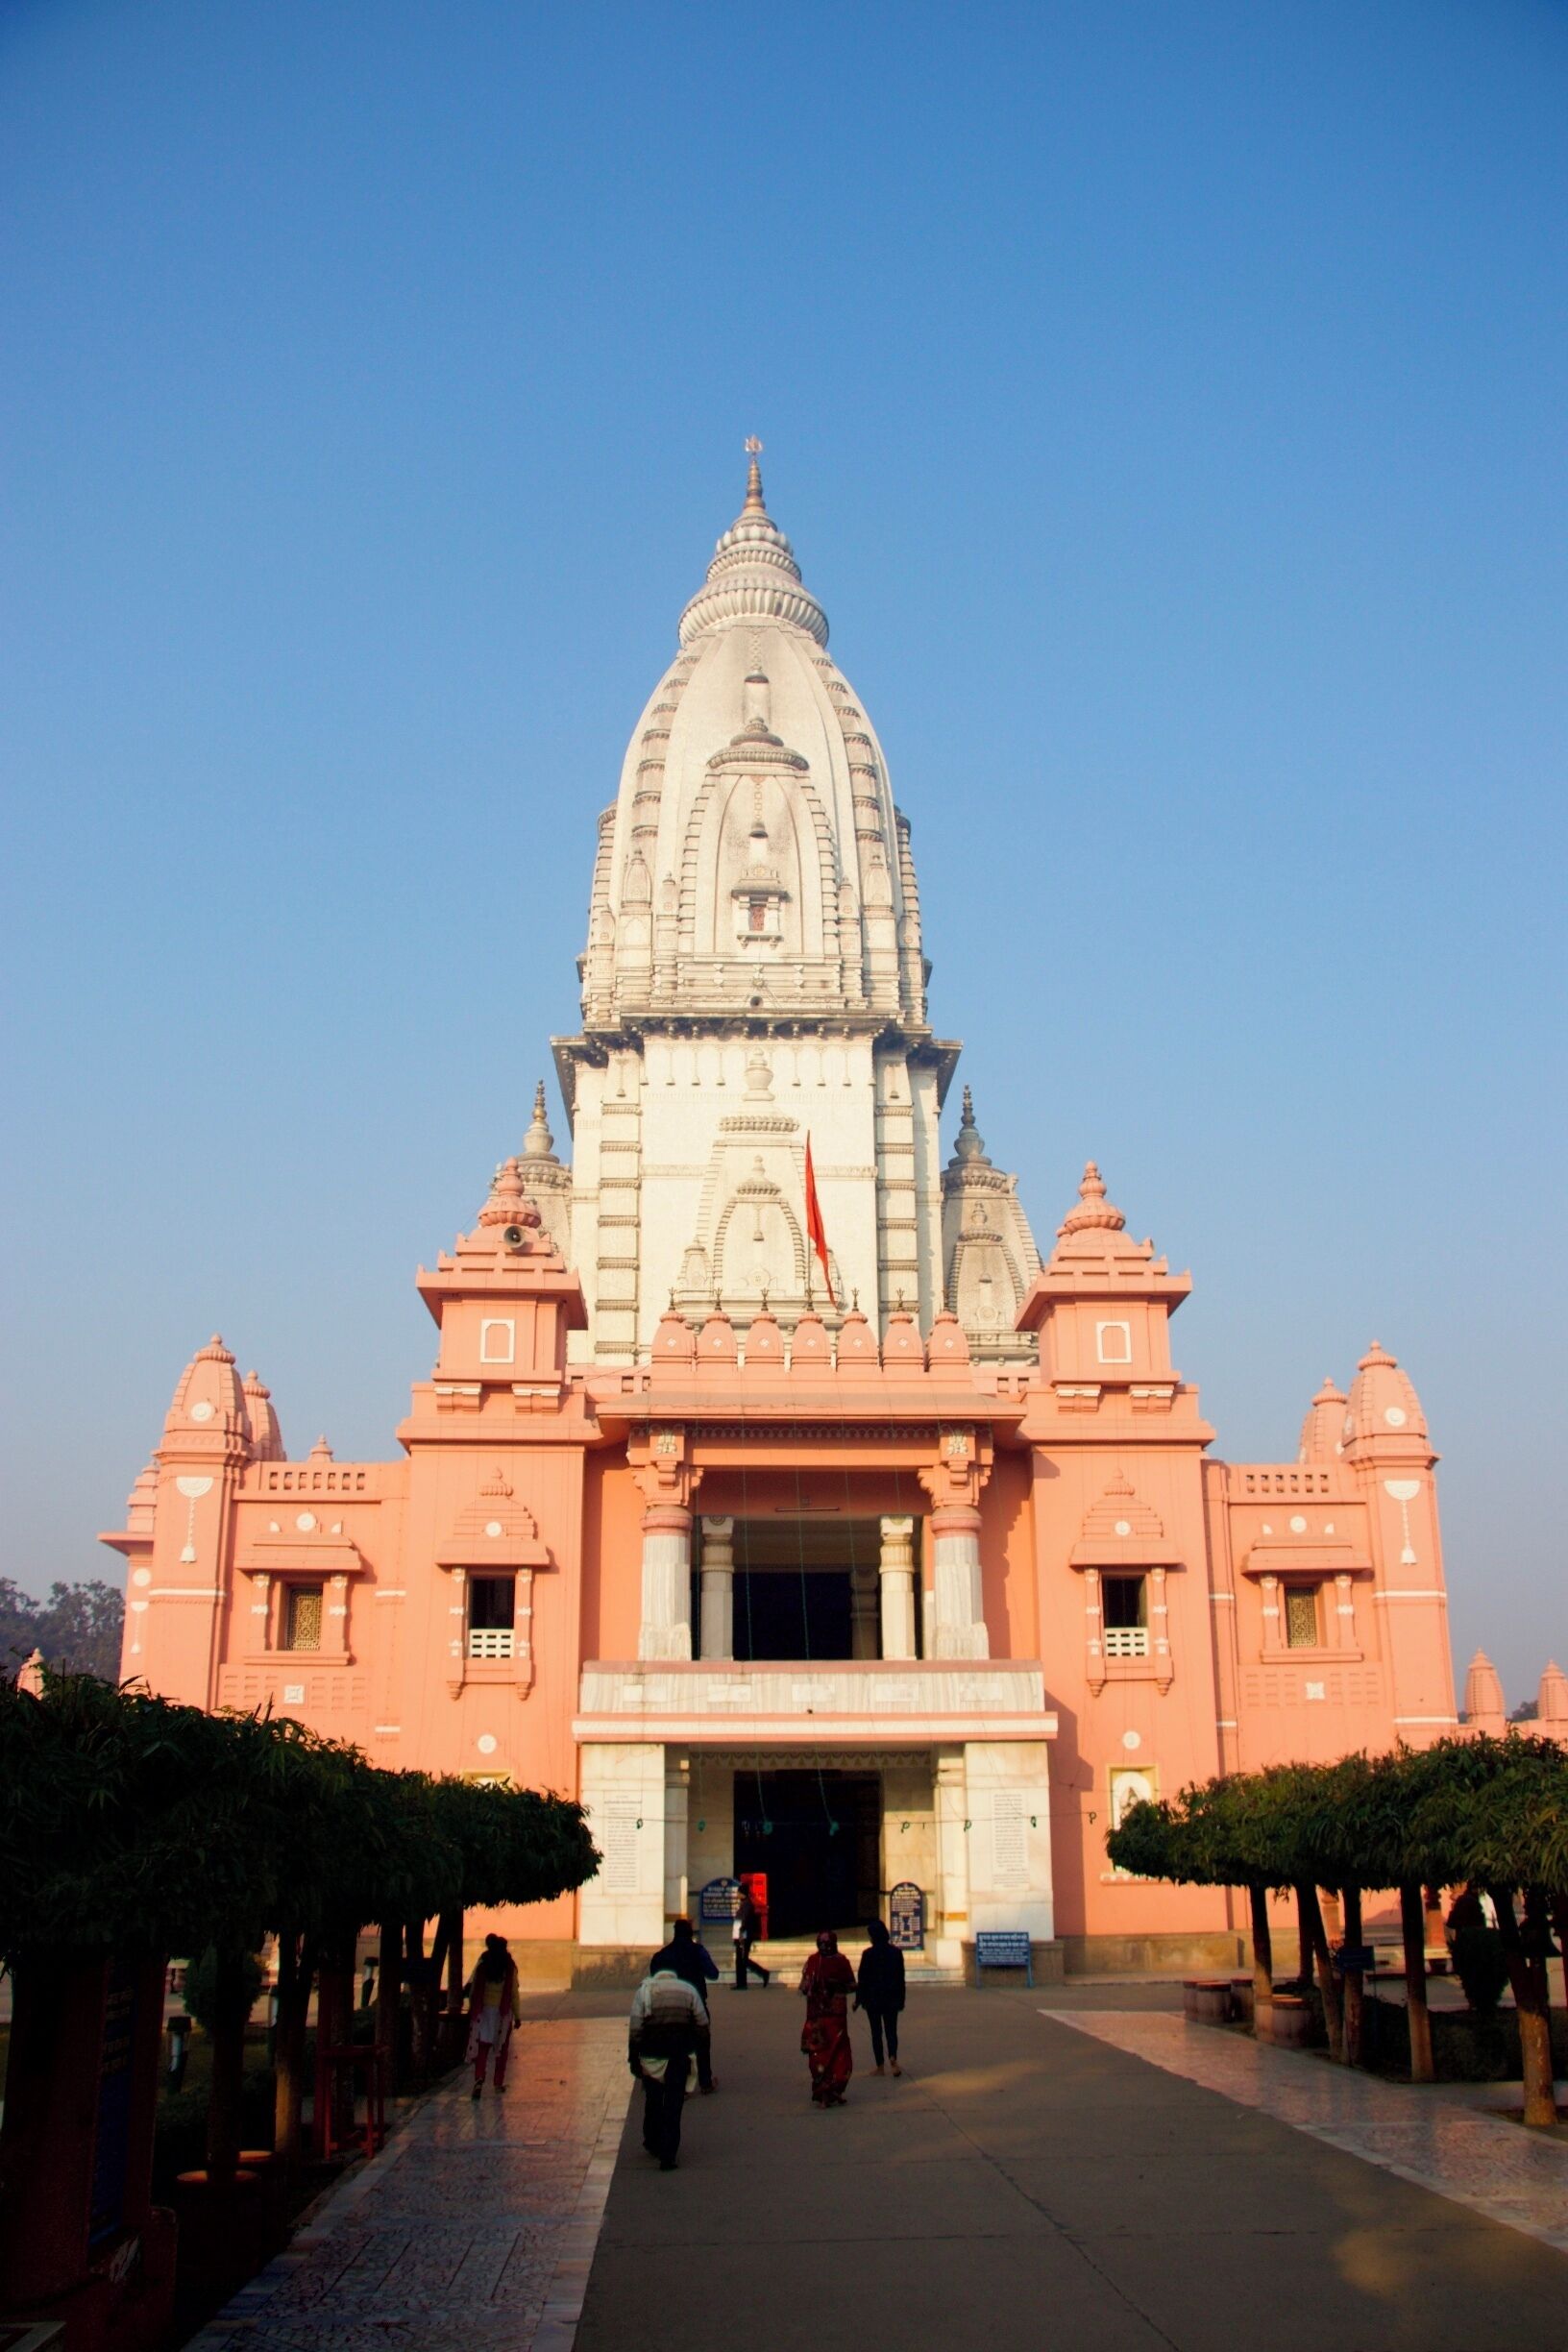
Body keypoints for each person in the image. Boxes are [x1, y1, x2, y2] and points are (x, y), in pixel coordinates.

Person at [628, 1956, 711, 2169]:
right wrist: (699, 2052)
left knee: (654, 2101)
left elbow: (636, 2028)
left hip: (651, 2056)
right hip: (678, 2055)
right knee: (674, 2106)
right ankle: (669, 2155)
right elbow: (702, 2023)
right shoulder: (688, 1990)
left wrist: (634, 2058)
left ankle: (654, 2142)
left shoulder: (644, 1992)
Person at [650, 1915, 721, 2090]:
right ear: (690, 1933)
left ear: (674, 1933)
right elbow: (713, 1973)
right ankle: (705, 2082)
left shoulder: (661, 1955)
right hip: (695, 2004)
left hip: (668, 2006)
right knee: (702, 2042)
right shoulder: (698, 1951)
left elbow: (653, 1978)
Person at [798, 1929, 855, 2106]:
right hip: (828, 2017)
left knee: (824, 2053)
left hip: (822, 2017)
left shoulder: (815, 1961)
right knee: (829, 2052)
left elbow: (803, 1987)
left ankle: (826, 2091)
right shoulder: (835, 1961)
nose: (824, 1947)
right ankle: (831, 2091)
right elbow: (852, 1985)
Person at [463, 1933, 521, 2097]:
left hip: (484, 2012)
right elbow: (514, 1993)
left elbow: (474, 1989)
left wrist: (473, 2010)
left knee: (483, 2047)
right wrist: (517, 2015)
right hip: (502, 2014)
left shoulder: (483, 1965)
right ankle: (498, 2083)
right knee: (501, 2049)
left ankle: (479, 2078)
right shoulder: (509, 1967)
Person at [855, 1916, 906, 2075]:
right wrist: (901, 1999)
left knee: (876, 2032)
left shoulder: (868, 1954)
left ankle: (880, 2066)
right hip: (891, 1998)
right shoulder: (896, 1953)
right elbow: (900, 1978)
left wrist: (858, 2000)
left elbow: (862, 1979)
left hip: (873, 1999)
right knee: (891, 2030)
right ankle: (893, 2058)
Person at [733, 1885, 771, 1990]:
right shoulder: (744, 1904)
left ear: (742, 1893)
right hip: (740, 1936)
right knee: (740, 1960)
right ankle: (741, 1983)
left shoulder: (747, 1905)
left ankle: (762, 1973)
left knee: (743, 1960)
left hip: (743, 1936)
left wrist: (740, 1936)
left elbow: (743, 1922)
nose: (737, 1894)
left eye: (738, 1892)